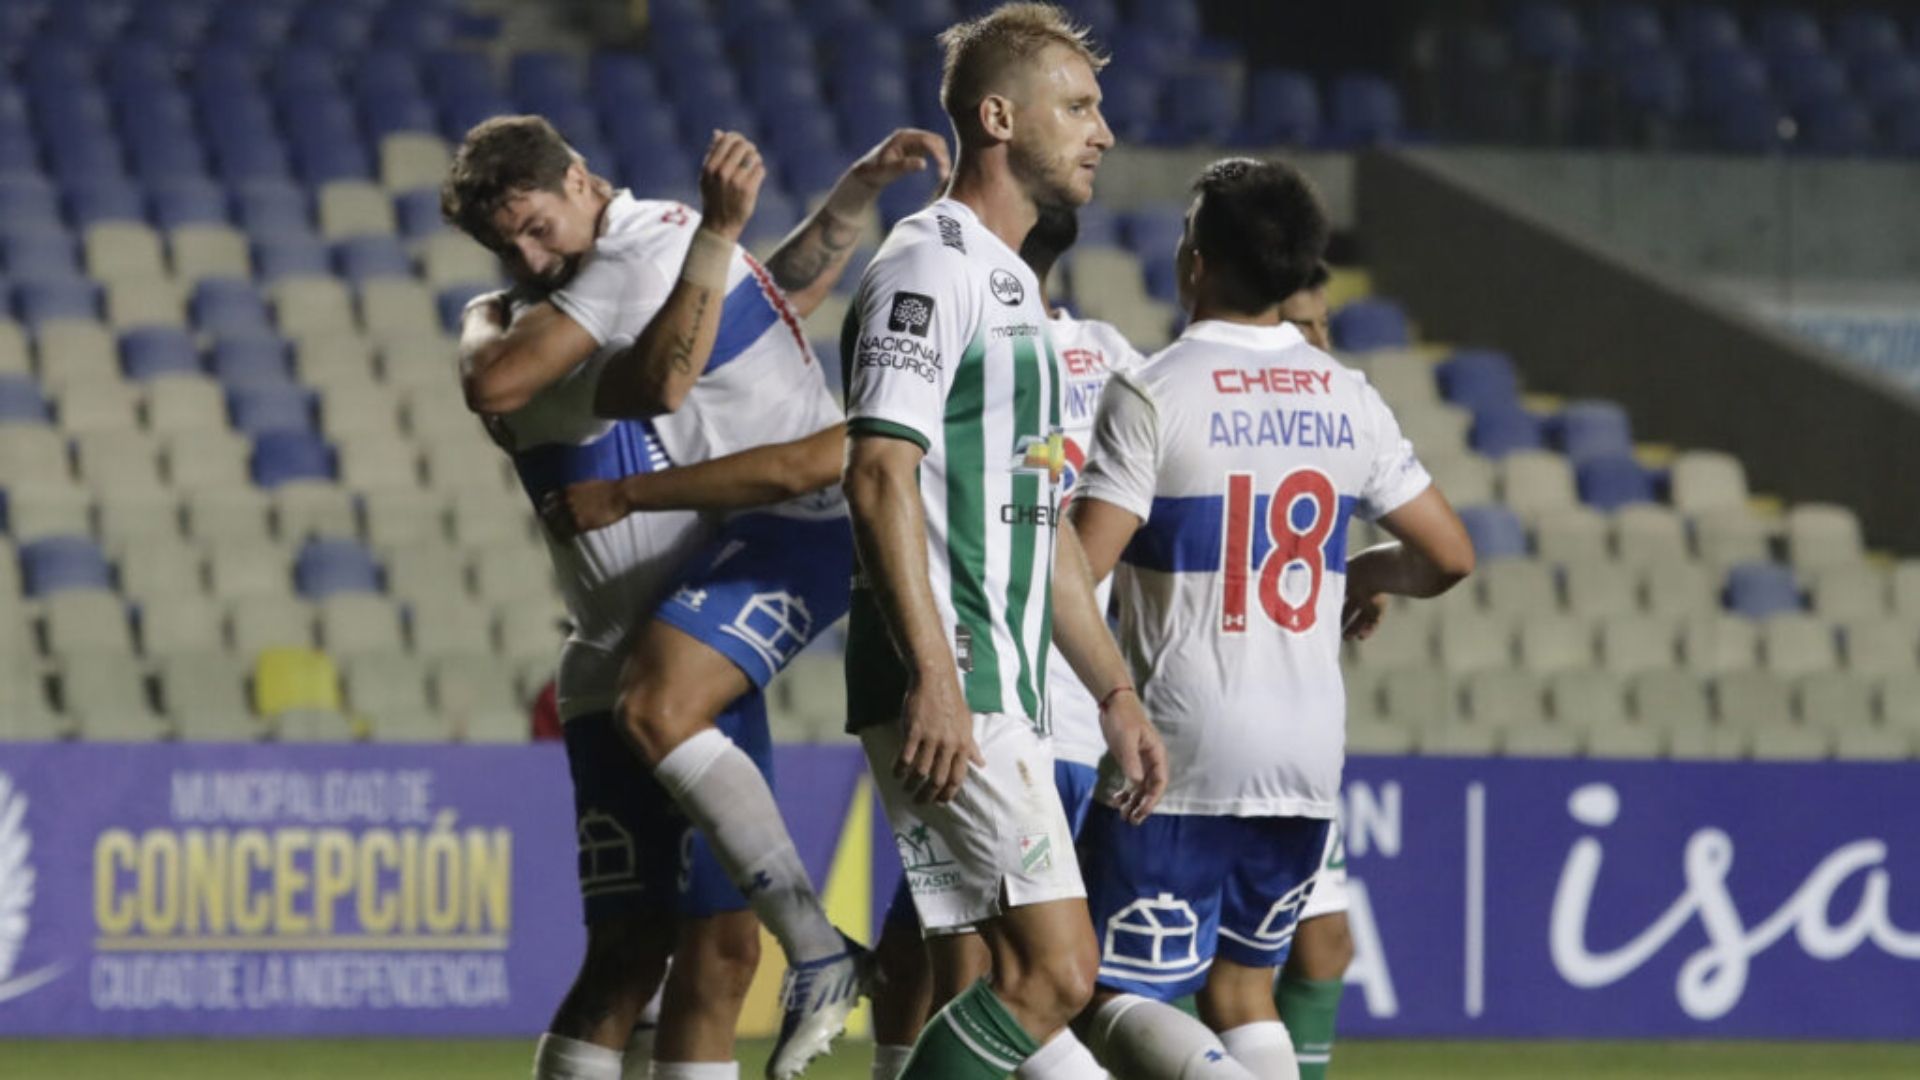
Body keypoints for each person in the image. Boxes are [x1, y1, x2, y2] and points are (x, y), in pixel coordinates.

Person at [442, 114, 949, 1080]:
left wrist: (489, 320)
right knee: (643, 952)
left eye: (538, 228)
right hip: (640, 628)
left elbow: (662, 373)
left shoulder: (629, 263)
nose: (532, 259)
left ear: (580, 179)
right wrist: (841, 202)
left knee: (710, 942)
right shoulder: (634, 262)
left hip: (769, 540)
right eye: (509, 249)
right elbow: (761, 304)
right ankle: (818, 949)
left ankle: (817, 950)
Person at [1068, 158, 1475, 1079]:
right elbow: (1450, 556)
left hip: (1180, 748)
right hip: (1306, 757)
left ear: (1198, 263)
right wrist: (1358, 573)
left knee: (1092, 990)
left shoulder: (1153, 390)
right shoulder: (1348, 395)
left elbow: (1077, 573)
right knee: (1243, 990)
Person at [840, 6, 1166, 1080]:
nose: (1101, 131)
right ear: (997, 118)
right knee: (1058, 974)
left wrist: (1114, 692)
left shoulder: (1014, 284)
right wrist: (936, 672)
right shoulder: (928, 264)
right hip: (957, 677)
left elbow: (1044, 517)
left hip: (1001, 677)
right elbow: (876, 472)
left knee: (986, 975)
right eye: (1077, 107)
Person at [1271, 260, 1354, 1080]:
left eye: (1326, 325)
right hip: (1202, 714)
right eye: (1305, 325)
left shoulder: (1333, 420)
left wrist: (1364, 573)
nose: (1322, 343)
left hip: (1300, 724)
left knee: (1325, 942)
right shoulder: (1194, 403)